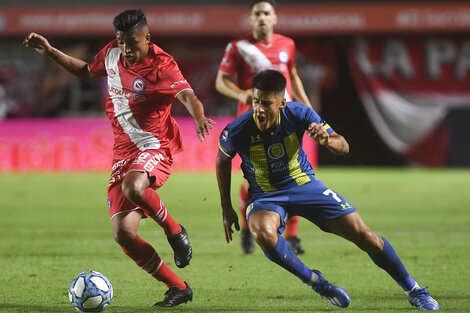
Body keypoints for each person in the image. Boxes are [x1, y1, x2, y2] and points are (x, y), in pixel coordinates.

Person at [24, 8, 215, 308]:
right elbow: (84, 71)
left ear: (148, 38)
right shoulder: (112, 53)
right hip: (122, 154)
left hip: (154, 147)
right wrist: (50, 51)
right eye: (121, 41)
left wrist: (200, 117)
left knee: (133, 188)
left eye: (133, 42)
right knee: (123, 234)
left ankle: (175, 232)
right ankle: (179, 288)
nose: (126, 48)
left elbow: (188, 96)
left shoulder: (163, 65)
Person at [216, 70, 439, 311]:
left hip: (304, 185)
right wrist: (226, 207)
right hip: (266, 196)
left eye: (266, 103)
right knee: (262, 233)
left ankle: (414, 290)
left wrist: (326, 141)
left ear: (282, 103)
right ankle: (315, 282)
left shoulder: (298, 113)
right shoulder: (238, 129)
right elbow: (222, 160)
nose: (259, 109)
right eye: (256, 101)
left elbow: (343, 145)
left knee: (366, 236)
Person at [215, 0, 316, 255]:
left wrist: (308, 109)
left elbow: (293, 77)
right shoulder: (239, 46)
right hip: (253, 121)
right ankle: (249, 227)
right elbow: (221, 81)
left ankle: (291, 236)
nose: (262, 17)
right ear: (250, 19)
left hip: (285, 119)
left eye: (266, 13)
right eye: (257, 13)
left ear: (275, 18)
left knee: (293, 171)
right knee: (252, 176)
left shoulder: (288, 44)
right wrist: (240, 94)